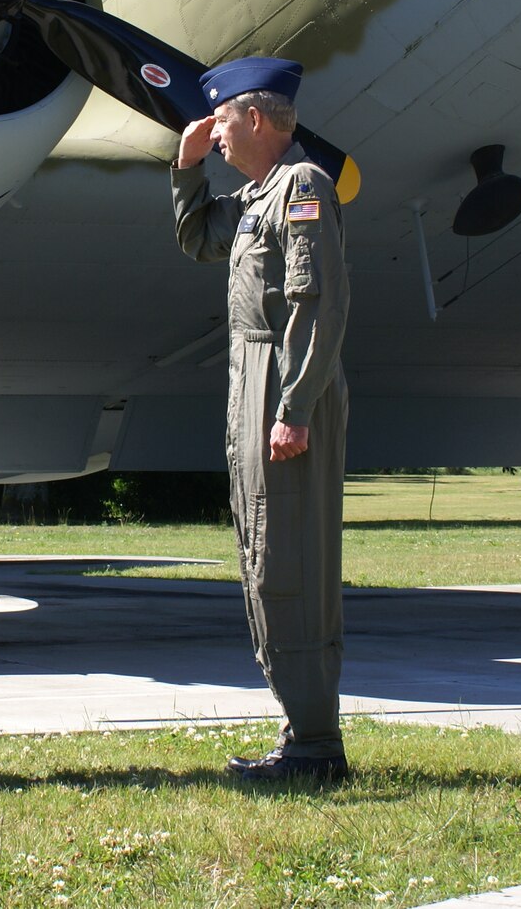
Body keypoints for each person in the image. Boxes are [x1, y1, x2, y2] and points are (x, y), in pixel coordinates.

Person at [171, 57, 352, 783]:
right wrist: (185, 169)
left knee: (291, 558)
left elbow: (315, 302)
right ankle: (302, 730)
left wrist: (296, 407)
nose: (212, 133)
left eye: (219, 121)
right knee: (262, 551)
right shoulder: (256, 198)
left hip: (283, 386)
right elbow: (195, 237)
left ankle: (314, 744)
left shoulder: (301, 188)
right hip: (254, 385)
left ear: (254, 118)